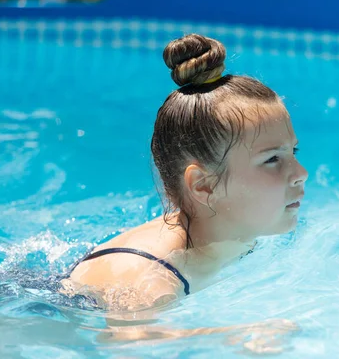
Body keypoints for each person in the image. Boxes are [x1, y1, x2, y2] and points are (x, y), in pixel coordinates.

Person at [60, 33, 308, 314]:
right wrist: (241, 334)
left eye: (293, 153)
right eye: (273, 159)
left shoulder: (229, 233)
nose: (301, 173)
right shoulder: (148, 282)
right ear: (203, 185)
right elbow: (130, 346)